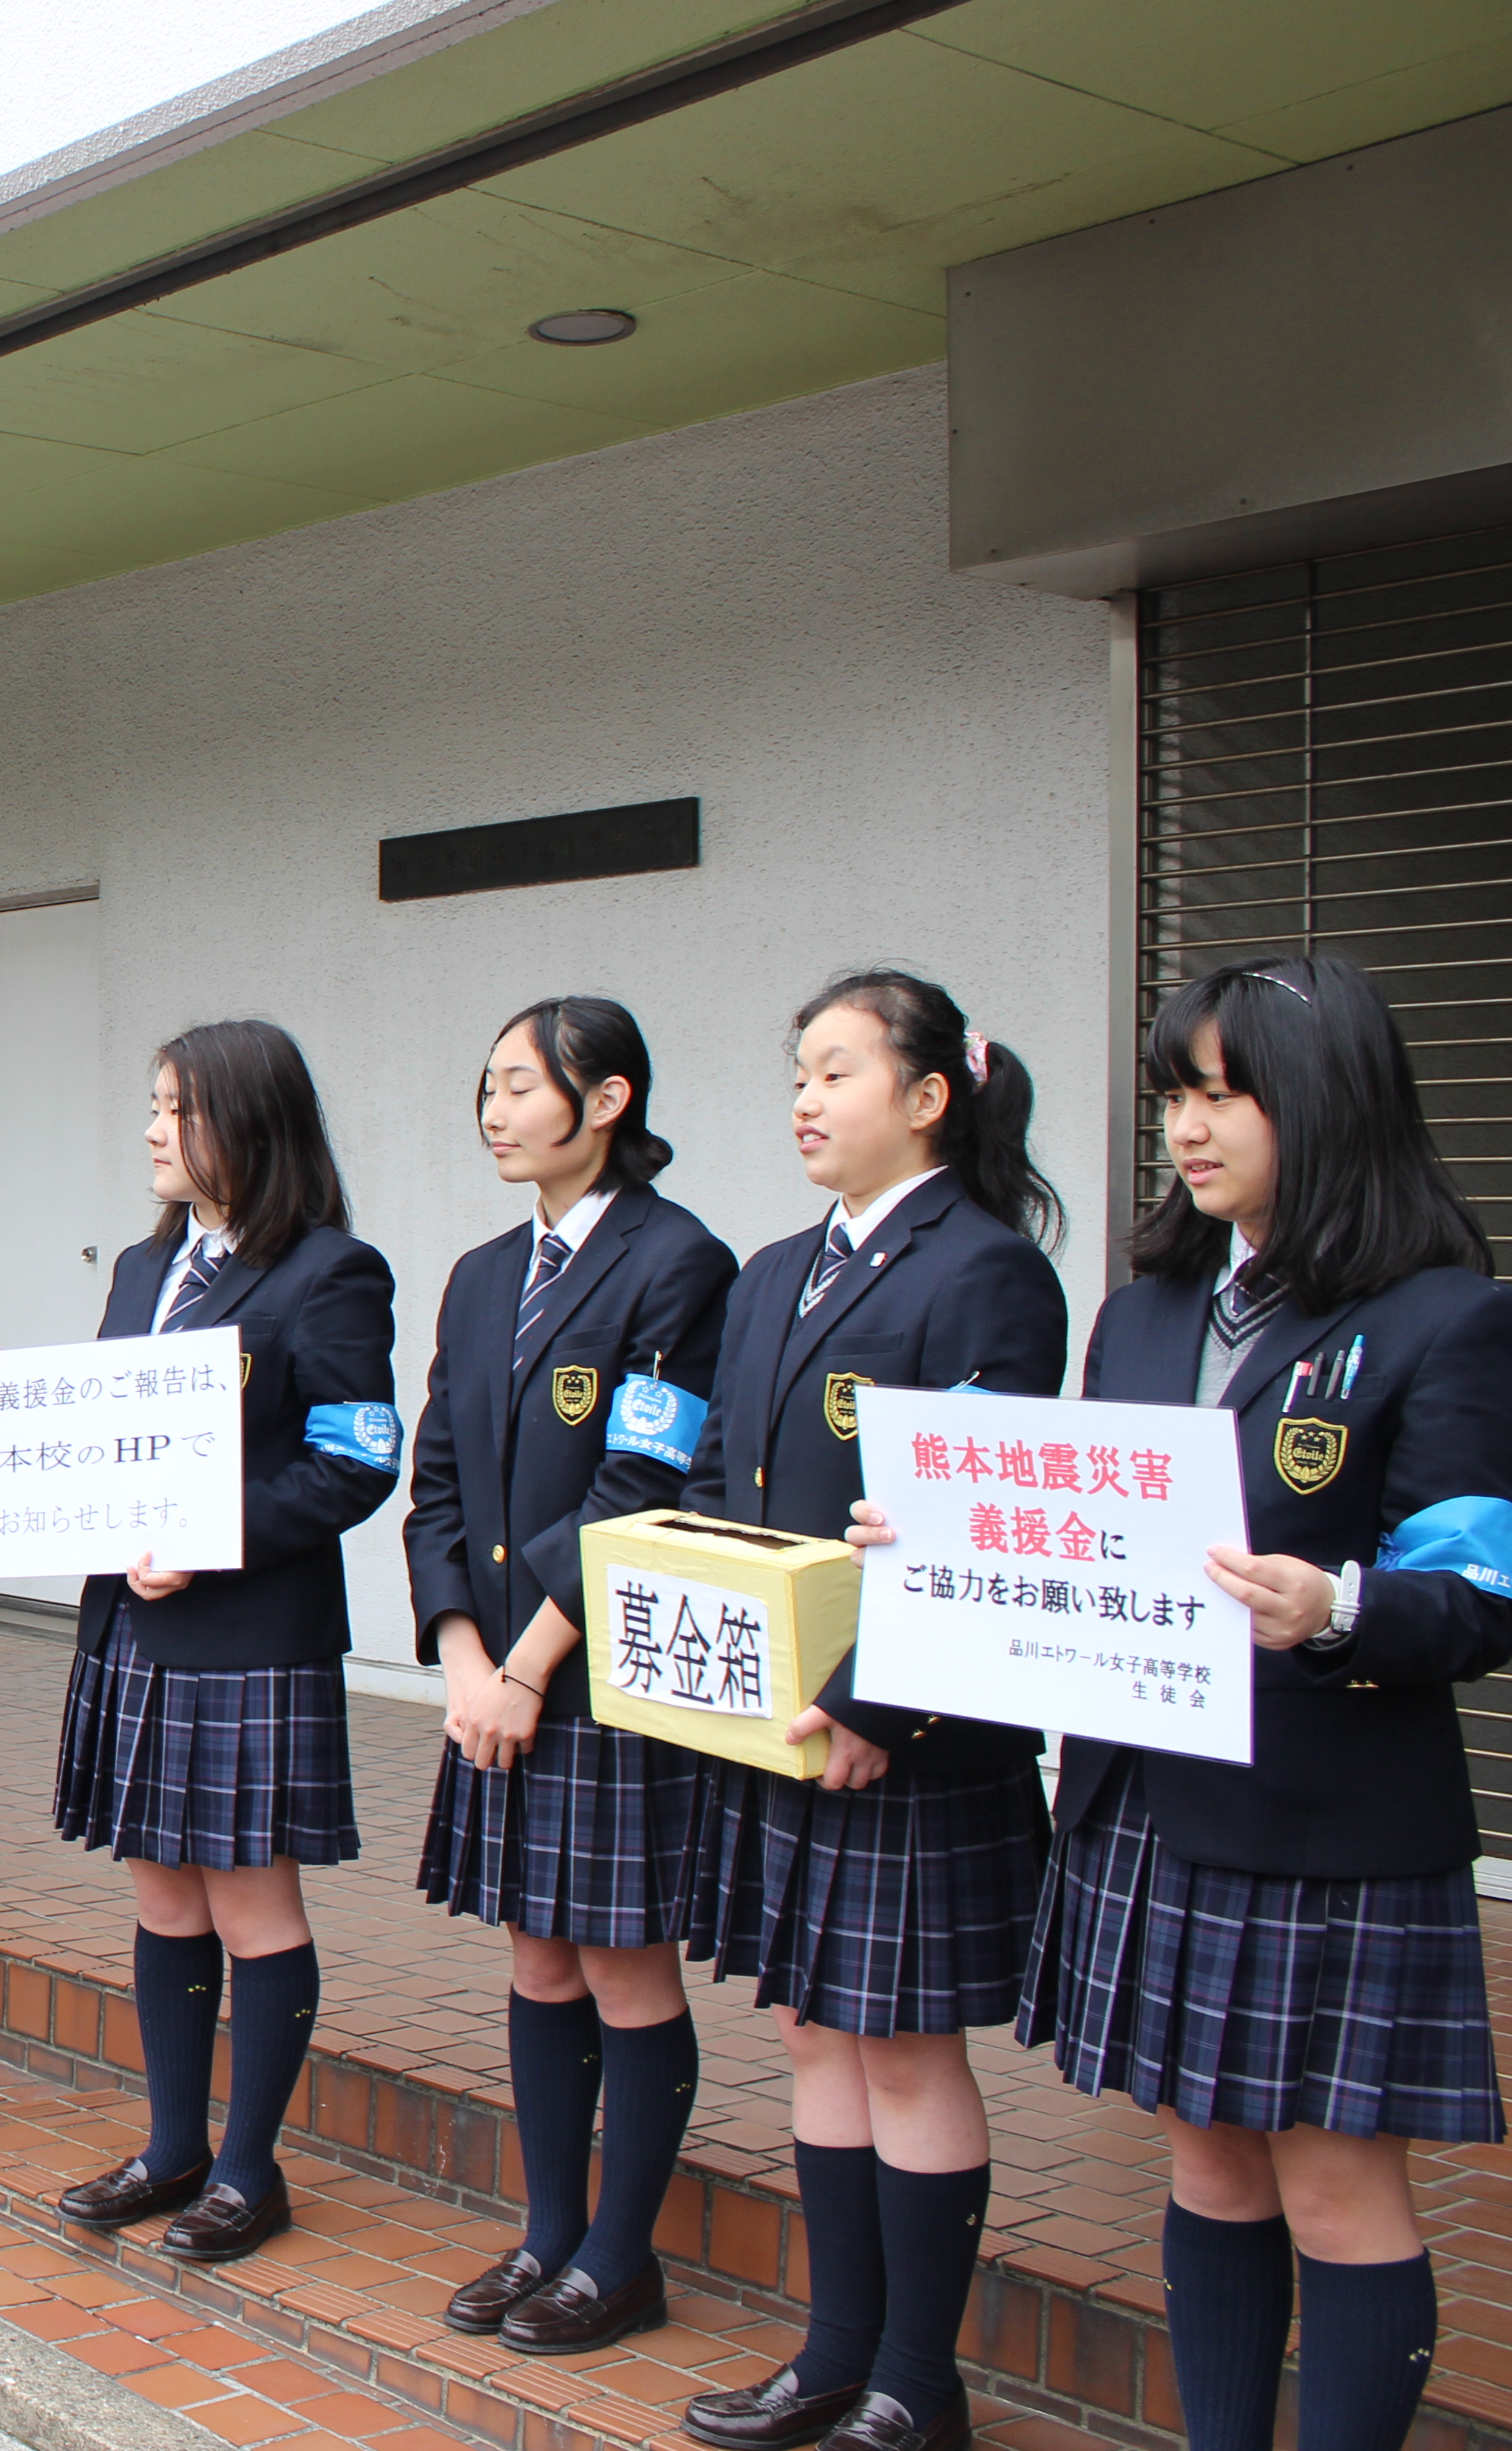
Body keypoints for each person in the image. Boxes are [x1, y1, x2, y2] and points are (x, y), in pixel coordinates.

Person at [1006, 956, 1509, 2451]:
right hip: (1145, 1797)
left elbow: (1479, 1596)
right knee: (1210, 2168)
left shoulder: (1445, 1317)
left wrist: (1335, 1605)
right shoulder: (1149, 1309)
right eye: (1175, 1093)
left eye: (1223, 1093)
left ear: (1329, 1101)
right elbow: (1084, 1522)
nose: (1188, 1127)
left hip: (1323, 1818)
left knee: (1338, 2184)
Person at [677, 970, 1070, 2451]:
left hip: (914, 1737)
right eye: (800, 1068)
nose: (806, 1096)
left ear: (927, 1098)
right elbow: (718, 1485)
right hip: (783, 1724)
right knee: (812, 2037)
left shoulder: (987, 1273)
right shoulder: (775, 1271)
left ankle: (919, 2381)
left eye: (839, 1070)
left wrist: (874, 1705)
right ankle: (830, 2358)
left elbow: (982, 1525)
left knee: (905, 2049)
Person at [0, 1020, 399, 2262]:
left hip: (244, 1627)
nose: (152, 1129)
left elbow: (354, 1460)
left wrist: (217, 1535)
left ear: (249, 1124)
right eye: (152, 1105)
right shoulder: (144, 1266)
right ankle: (170, 2146)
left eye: (176, 1107)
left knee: (251, 1898)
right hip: (132, 1622)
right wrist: (12, 1407)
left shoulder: (329, 1270)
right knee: (162, 1892)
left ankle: (246, 2168)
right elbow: (115, 1428)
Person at [404, 998, 737, 2352]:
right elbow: (433, 1486)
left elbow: (642, 1485)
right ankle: (546, 2233)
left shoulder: (679, 1264)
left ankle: (620, 2254)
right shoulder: (484, 1272)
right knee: (537, 1958)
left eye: (518, 1086)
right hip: (499, 1677)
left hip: (598, 1681)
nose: (492, 1110)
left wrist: (529, 1662)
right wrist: (461, 1653)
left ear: (603, 1102)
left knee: (621, 1964)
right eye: (482, 1085)